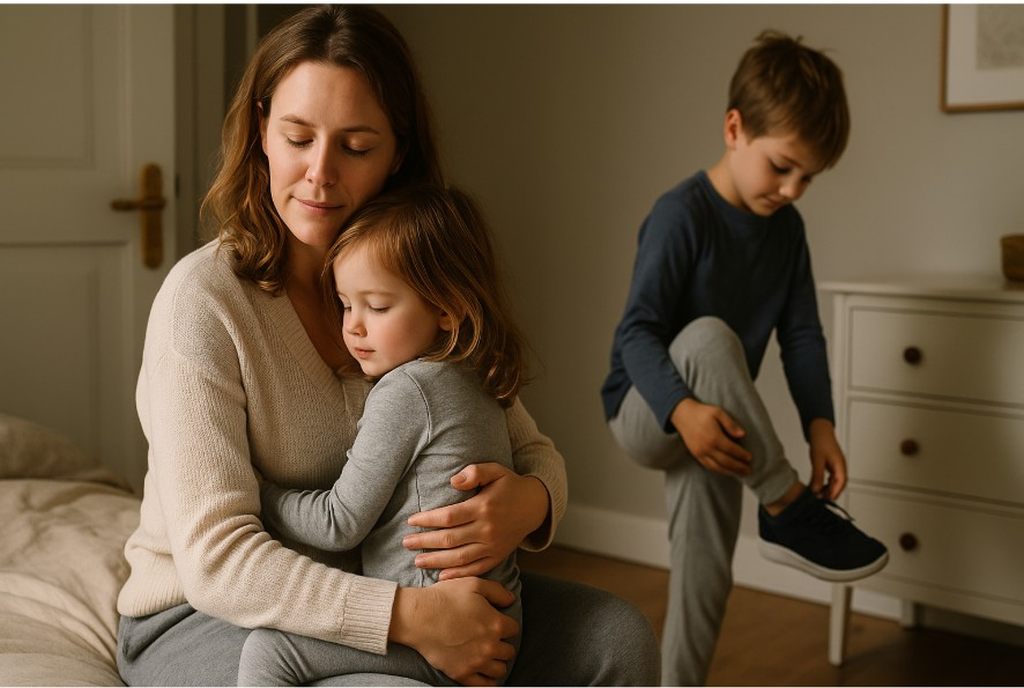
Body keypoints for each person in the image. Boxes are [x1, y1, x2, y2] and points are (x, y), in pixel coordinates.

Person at [116, 5, 659, 687]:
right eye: (297, 136)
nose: (319, 174)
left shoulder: (417, 287)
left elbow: (533, 448)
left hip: (389, 583)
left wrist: (531, 501)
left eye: (356, 146)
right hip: (212, 615)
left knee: (617, 635)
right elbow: (218, 561)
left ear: (397, 152)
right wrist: (414, 618)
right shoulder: (202, 304)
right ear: (260, 132)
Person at [600, 31, 887, 686]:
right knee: (706, 335)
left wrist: (821, 425)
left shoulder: (787, 232)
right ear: (735, 128)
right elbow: (637, 334)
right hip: (647, 411)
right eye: (782, 166)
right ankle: (785, 505)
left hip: (718, 425)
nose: (792, 190)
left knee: (706, 570)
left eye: (808, 177)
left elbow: (803, 335)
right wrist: (682, 409)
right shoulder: (681, 215)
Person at [237, 184, 527, 686]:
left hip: (439, 634)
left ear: (447, 307)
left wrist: (259, 490)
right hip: (499, 627)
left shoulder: (408, 389)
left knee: (269, 652)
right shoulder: (478, 375)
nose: (354, 328)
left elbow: (338, 523)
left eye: (377, 306)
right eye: (346, 305)